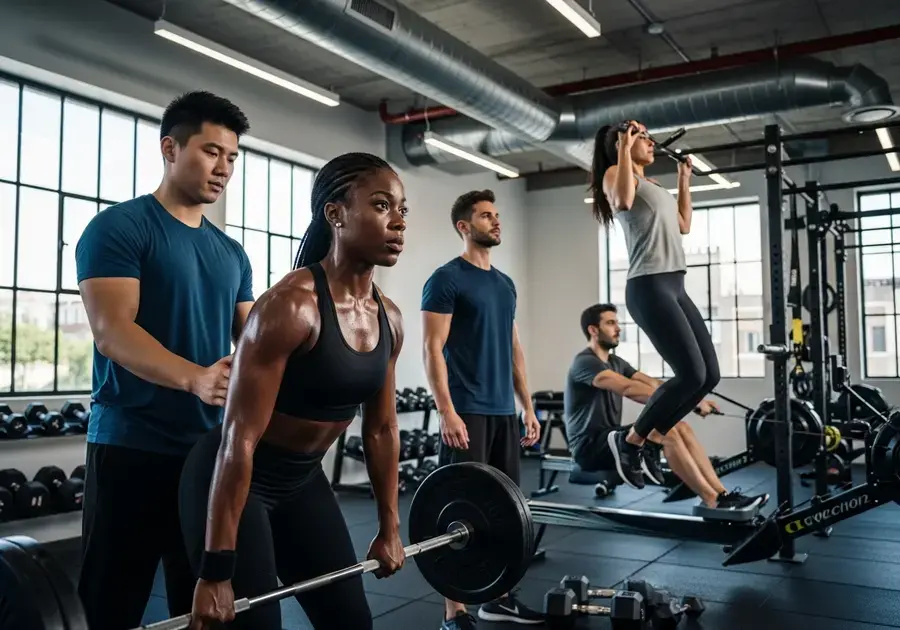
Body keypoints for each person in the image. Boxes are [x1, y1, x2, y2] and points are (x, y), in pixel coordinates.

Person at [178, 152, 407, 630]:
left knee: (351, 621)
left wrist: (390, 527)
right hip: (237, 478)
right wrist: (215, 571)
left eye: (402, 210)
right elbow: (238, 440)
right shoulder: (289, 306)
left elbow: (382, 429)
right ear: (335, 214)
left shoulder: (390, 318)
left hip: (303, 481)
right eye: (382, 205)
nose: (398, 221)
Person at [75, 91, 254, 630]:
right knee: (111, 604)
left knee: (200, 605)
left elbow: (255, 342)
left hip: (205, 454)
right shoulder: (119, 228)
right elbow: (113, 332)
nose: (223, 168)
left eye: (231, 157)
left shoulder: (232, 253)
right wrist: (197, 379)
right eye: (210, 152)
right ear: (170, 149)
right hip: (130, 445)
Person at [422, 189, 543, 629]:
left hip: (502, 412)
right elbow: (432, 348)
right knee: (459, 508)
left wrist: (528, 407)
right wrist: (446, 411)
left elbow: (514, 349)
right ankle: (454, 612)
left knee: (505, 510)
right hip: (466, 410)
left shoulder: (505, 284)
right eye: (486, 216)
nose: (496, 221)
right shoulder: (446, 279)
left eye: (496, 215)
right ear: (464, 226)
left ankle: (499, 598)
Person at [587, 119, 720, 489]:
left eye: (647, 137)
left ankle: (650, 438)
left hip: (675, 284)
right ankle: (630, 442)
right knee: (690, 374)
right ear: (622, 144)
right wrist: (622, 149)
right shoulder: (615, 175)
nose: (649, 142)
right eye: (640, 137)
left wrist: (683, 179)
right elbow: (622, 201)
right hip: (649, 286)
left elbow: (683, 224)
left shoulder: (654, 185)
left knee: (709, 375)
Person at [565, 304, 768, 510]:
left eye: (617, 323)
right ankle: (712, 501)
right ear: (593, 330)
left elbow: (653, 384)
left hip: (613, 438)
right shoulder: (585, 362)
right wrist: (682, 401)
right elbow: (628, 388)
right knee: (667, 433)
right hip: (589, 447)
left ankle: (722, 494)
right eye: (610, 323)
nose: (618, 328)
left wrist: (694, 397)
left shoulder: (616, 362)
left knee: (681, 427)